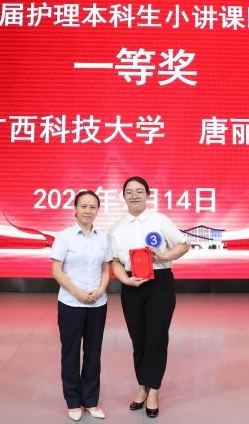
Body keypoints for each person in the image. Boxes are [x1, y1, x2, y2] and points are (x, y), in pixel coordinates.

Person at [108, 176, 190, 419]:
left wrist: (164, 256)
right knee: (138, 338)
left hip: (160, 283)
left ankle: (153, 390)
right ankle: (142, 386)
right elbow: (115, 261)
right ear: (123, 196)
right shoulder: (116, 228)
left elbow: (183, 245)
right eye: (129, 191)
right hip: (131, 285)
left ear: (147, 195)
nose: (134, 195)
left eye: (139, 191)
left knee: (156, 337)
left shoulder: (159, 220)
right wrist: (124, 280)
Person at [51, 190, 111, 421]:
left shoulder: (103, 238)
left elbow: (106, 268)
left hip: (97, 304)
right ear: (75, 209)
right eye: (83, 206)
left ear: (98, 210)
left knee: (93, 353)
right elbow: (57, 270)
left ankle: (91, 401)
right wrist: (77, 293)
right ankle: (73, 401)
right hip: (70, 304)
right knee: (70, 352)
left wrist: (101, 289)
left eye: (92, 207)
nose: (88, 211)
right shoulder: (64, 237)